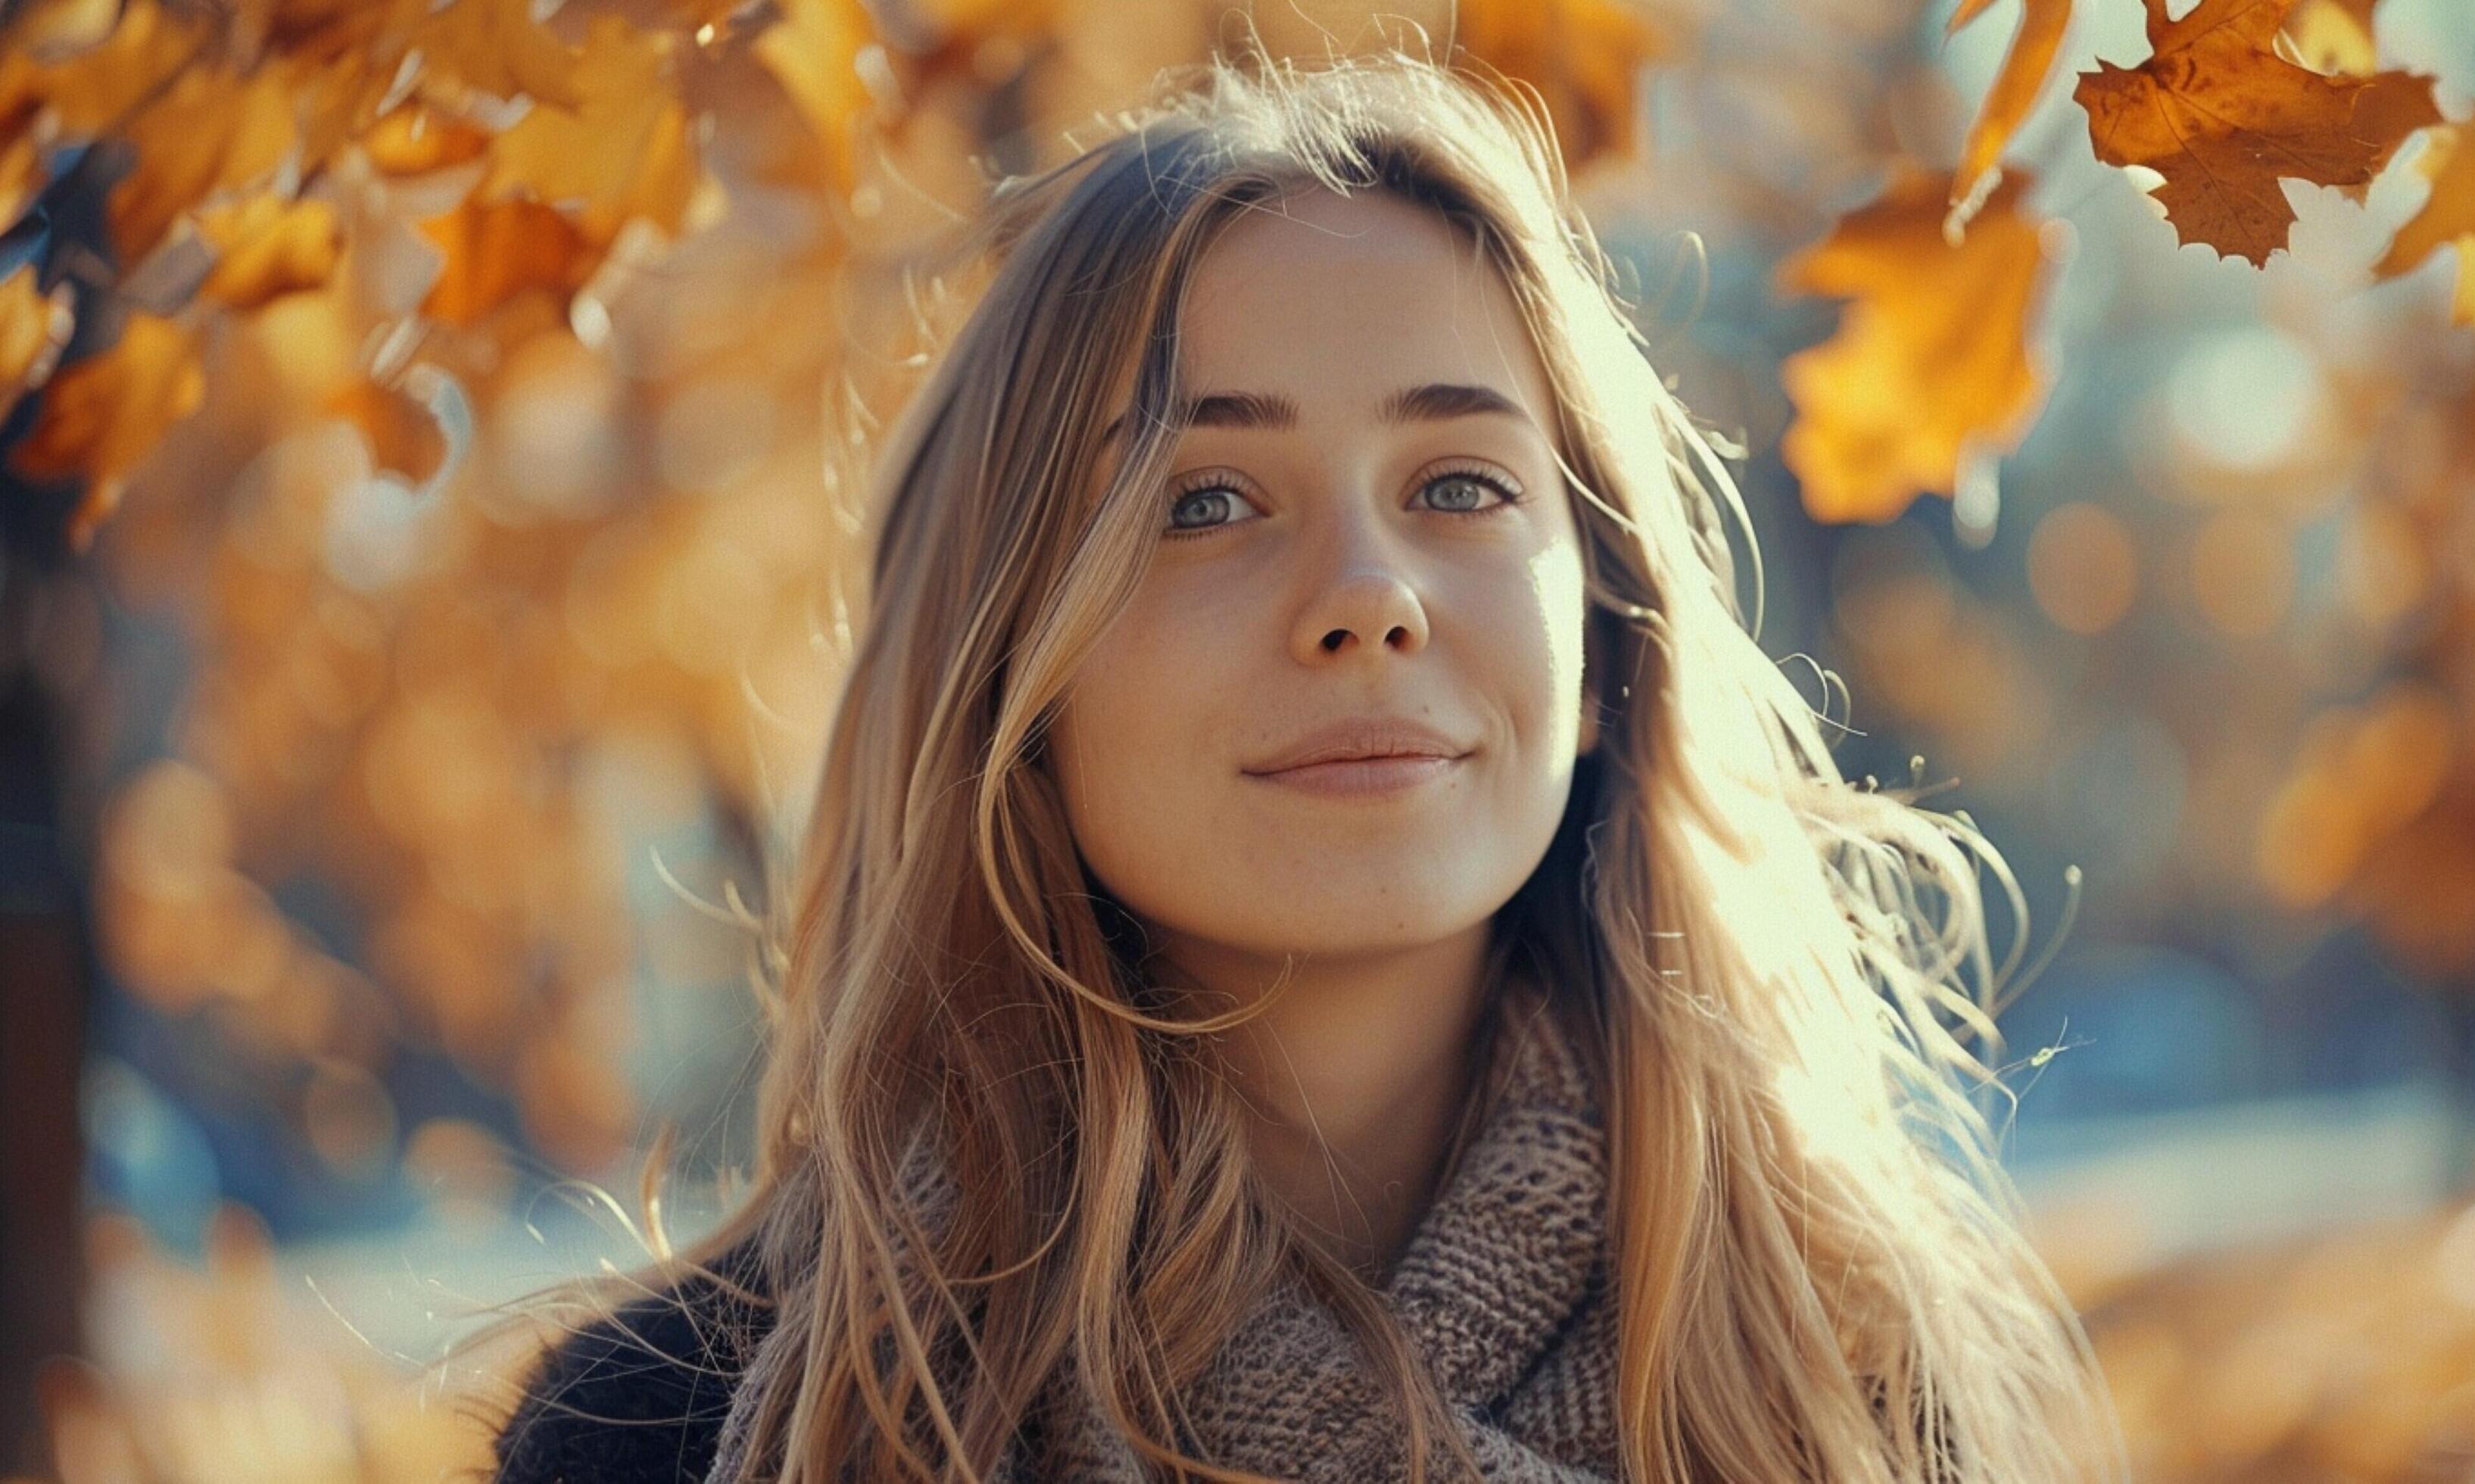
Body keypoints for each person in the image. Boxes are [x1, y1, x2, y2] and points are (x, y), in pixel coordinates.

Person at [486, 33, 2127, 1484]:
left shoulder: (1844, 1392)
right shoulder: (684, 1435)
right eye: (1205, 502)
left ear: (1609, 639)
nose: (1369, 597)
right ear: (1006, 679)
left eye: (1461, 485)